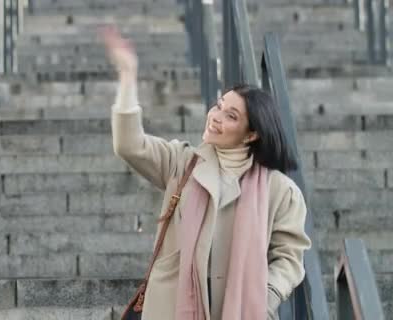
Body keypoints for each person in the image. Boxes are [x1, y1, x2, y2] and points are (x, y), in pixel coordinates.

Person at [101, 26, 312, 320]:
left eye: (231, 116)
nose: (215, 117)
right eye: (219, 106)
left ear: (251, 134)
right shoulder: (183, 162)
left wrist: (262, 299)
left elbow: (289, 257)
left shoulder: (281, 191)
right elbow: (129, 145)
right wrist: (127, 75)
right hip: (171, 310)